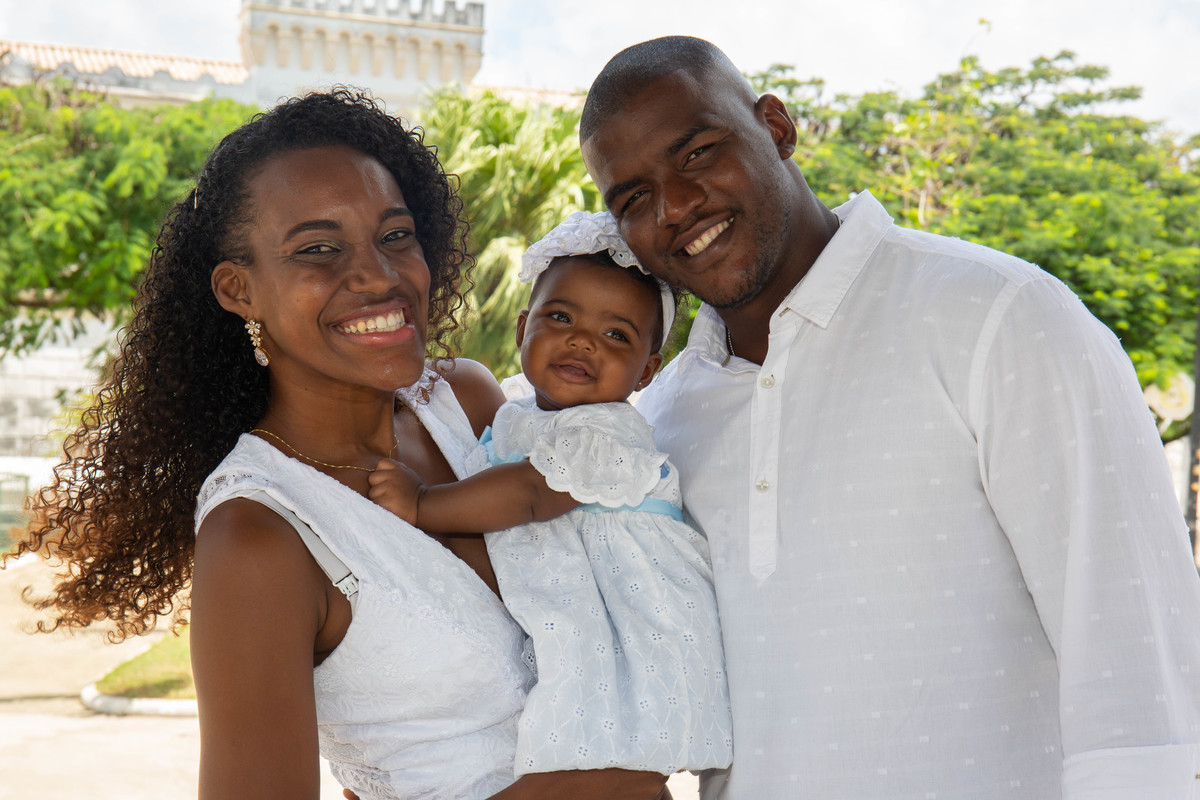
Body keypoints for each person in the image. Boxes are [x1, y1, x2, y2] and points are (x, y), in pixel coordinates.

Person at [578, 35, 1200, 799]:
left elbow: (1139, 678)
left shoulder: (1000, 317)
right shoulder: (660, 422)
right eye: (634, 200)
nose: (676, 207)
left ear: (775, 127)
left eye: (699, 153)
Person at [6, 89, 667, 800]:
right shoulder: (260, 537)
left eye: (396, 236)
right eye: (318, 250)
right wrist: (612, 778)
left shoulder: (467, 404)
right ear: (239, 290)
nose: (379, 276)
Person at [368, 210, 733, 778]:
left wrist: (423, 504)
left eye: (616, 335)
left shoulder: (605, 432)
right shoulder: (517, 412)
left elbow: (531, 493)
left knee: (596, 708)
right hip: (574, 588)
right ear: (522, 331)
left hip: (630, 609)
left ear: (646, 371)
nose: (582, 341)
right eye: (560, 317)